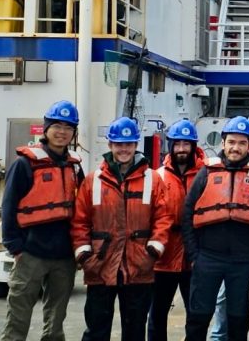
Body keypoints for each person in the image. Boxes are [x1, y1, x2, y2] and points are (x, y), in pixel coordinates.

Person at [71, 117, 173, 341]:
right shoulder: (93, 181)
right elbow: (80, 222)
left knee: (135, 330)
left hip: (138, 268)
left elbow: (163, 218)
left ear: (136, 145)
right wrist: (85, 256)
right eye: (119, 144)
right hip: (100, 265)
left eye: (129, 144)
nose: (124, 149)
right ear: (110, 145)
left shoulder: (153, 180)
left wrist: (152, 253)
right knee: (96, 329)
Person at [182, 116, 249, 341]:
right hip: (207, 257)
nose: (236, 148)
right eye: (231, 142)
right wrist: (194, 255)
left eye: (242, 143)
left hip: (243, 261)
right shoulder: (206, 173)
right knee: (198, 317)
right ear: (223, 143)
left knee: (238, 320)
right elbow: (188, 213)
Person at [0, 100, 83, 341]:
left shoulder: (74, 167)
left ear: (73, 133)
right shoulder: (25, 164)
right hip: (30, 252)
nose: (62, 132)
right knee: (18, 313)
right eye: (57, 125)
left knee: (56, 317)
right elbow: (9, 206)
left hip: (63, 255)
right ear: (46, 129)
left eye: (68, 127)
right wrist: (14, 247)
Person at [148, 119, 203, 341]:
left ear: (193, 146)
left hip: (194, 256)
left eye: (186, 144)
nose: (182, 149)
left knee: (196, 313)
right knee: (158, 313)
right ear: (170, 146)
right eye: (177, 144)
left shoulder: (206, 175)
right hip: (164, 255)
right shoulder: (158, 175)